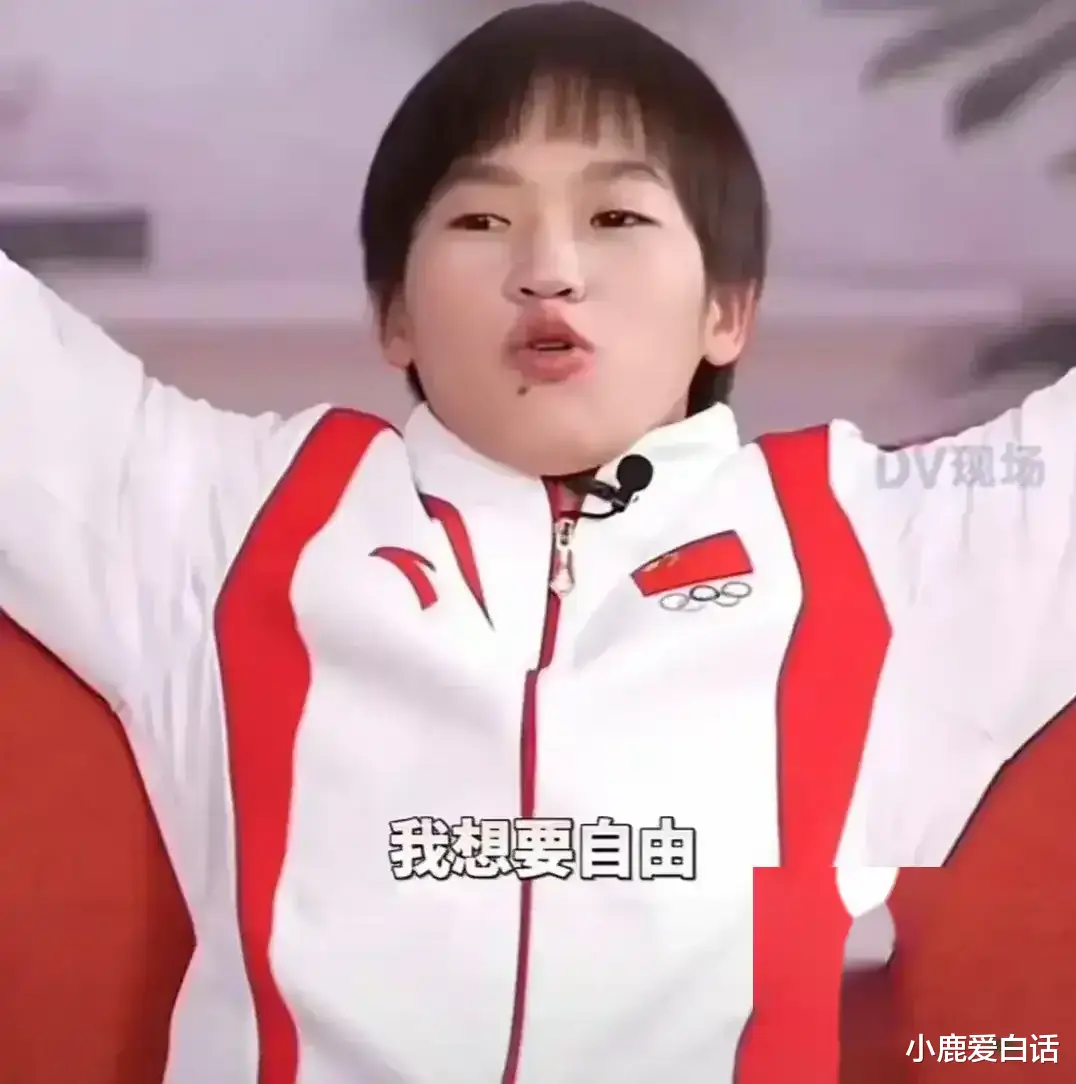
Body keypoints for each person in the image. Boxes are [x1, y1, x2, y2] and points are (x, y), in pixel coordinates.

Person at [0, 3, 1072, 1083]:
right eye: (479, 219)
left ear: (727, 310)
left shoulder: (884, 551)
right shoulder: (225, 522)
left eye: (616, 216)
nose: (549, 268)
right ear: (394, 315)